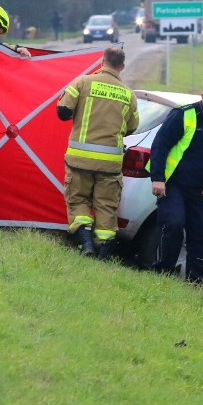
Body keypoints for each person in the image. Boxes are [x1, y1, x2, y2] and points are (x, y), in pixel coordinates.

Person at [148, 78, 203, 281]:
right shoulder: (184, 115)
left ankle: (196, 282)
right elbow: (160, 145)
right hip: (174, 185)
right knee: (173, 225)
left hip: (202, 189)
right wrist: (158, 178)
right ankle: (163, 272)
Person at [56, 46, 139, 259]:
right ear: (122, 67)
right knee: (106, 206)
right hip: (110, 164)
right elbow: (132, 127)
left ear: (102, 61)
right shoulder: (129, 95)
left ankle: (86, 245)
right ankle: (103, 254)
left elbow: (62, 112)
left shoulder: (82, 82)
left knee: (78, 200)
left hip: (80, 160)